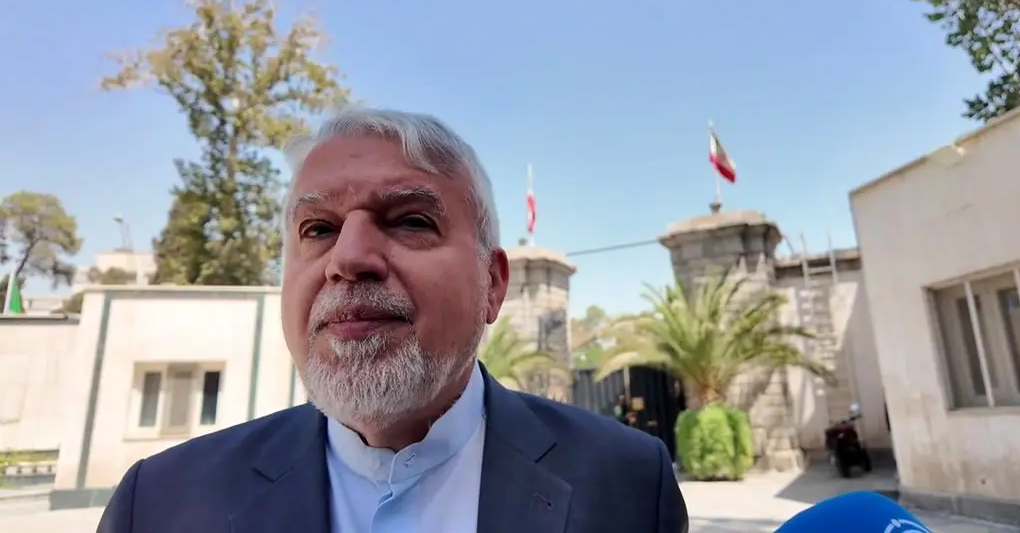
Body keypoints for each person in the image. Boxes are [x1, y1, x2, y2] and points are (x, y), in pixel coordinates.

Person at [97, 109, 688, 532]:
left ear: (492, 284)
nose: (348, 259)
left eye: (410, 221)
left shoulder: (631, 486)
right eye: (318, 229)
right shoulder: (158, 505)